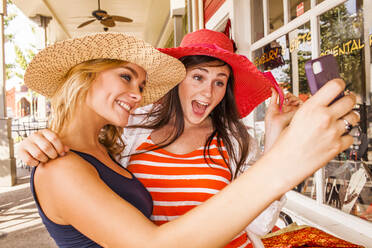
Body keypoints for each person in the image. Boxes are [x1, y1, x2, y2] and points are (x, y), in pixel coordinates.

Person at [17, 30, 359, 248]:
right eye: (197, 76)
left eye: (220, 82)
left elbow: (257, 220)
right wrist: (286, 161)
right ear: (177, 83)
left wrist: (275, 138)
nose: (136, 95)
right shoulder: (130, 131)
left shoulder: (108, 143)